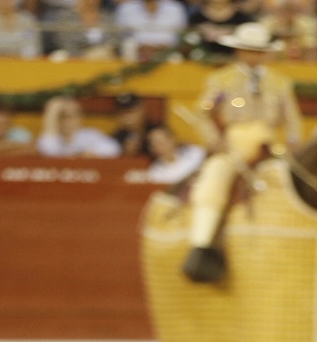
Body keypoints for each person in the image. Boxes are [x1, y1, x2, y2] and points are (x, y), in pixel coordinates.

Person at [183, 21, 302, 282]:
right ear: (238, 51)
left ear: (267, 53)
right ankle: (201, 247)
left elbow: (292, 120)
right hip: (233, 146)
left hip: (270, 148)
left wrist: (293, 142)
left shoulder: (280, 83)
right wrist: (215, 140)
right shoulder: (221, 80)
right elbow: (202, 114)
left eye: (258, 51)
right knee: (212, 184)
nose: (253, 56)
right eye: (248, 50)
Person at [35, 96, 121, 157]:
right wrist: (51, 115)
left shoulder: (90, 135)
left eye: (72, 116)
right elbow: (49, 151)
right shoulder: (50, 136)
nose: (67, 121)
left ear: (79, 117)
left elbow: (113, 149)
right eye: (62, 117)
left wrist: (86, 154)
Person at [114, 0, 187, 60]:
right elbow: (121, 38)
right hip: (135, 59)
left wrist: (160, 48)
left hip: (169, 57)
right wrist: (140, 47)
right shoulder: (125, 9)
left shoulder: (176, 9)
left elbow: (181, 38)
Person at [44, 0, 119, 58]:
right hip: (76, 60)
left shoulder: (108, 17)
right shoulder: (67, 17)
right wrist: (85, 56)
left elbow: (113, 41)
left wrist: (101, 52)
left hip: (104, 59)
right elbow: (64, 41)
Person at [110, 92, 150, 156]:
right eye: (123, 113)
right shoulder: (117, 137)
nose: (128, 117)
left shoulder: (155, 132)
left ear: (141, 110)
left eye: (131, 112)